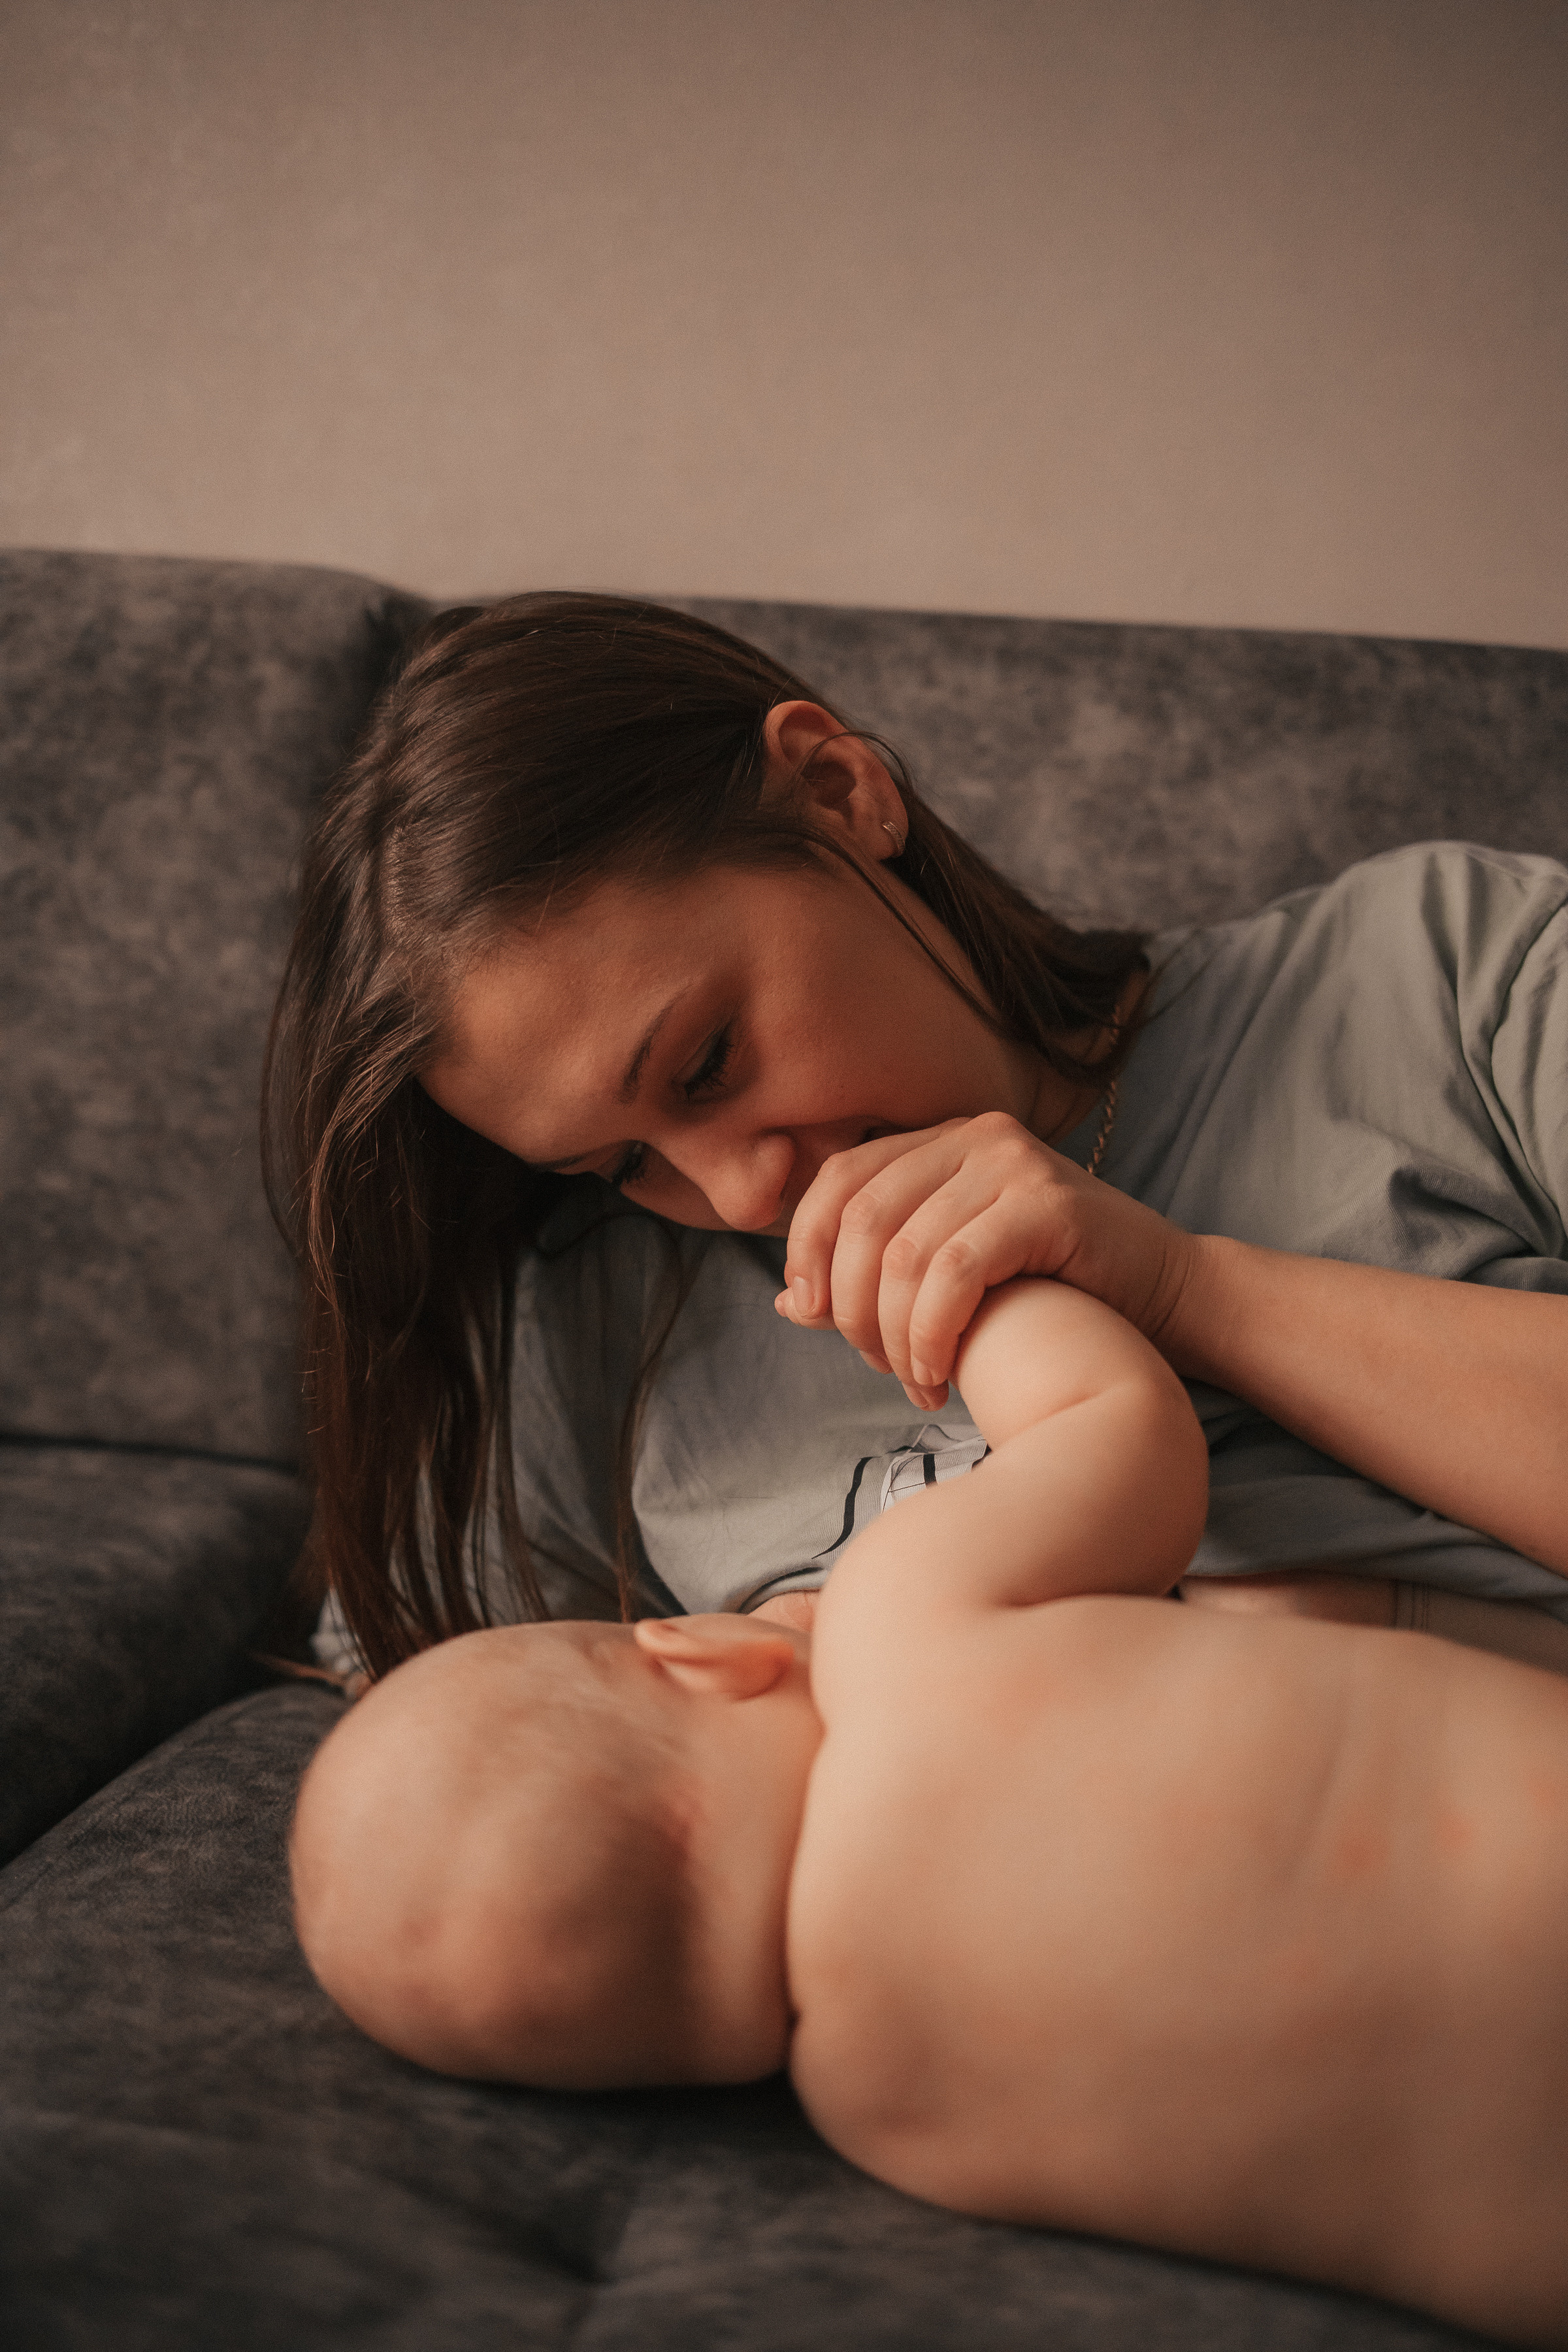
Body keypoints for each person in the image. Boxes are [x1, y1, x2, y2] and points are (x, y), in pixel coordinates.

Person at [262, 591, 1568, 1682]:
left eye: (709, 1059)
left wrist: (1185, 1287)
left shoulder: (1451, 970)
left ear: (842, 792)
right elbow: (445, 1759)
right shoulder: (598, 1309)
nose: (739, 1193)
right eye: (623, 1164)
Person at [291, 1275, 1568, 2350]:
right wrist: (979, 1295)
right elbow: (1117, 1425)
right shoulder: (899, 1633)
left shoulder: (893, 2123)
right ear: (693, 1653)